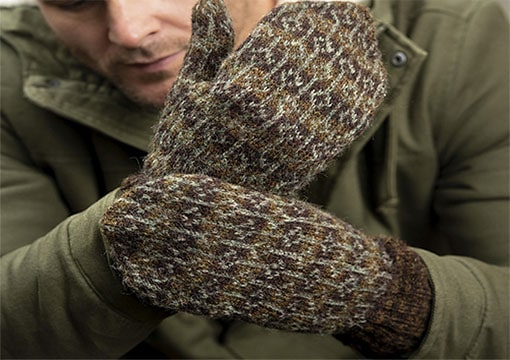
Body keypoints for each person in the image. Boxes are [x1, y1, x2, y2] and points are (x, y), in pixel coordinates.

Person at [0, 0, 508, 358]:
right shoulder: (10, 76)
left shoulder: (460, 39)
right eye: (72, 0)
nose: (130, 29)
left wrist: (387, 297)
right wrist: (149, 229)